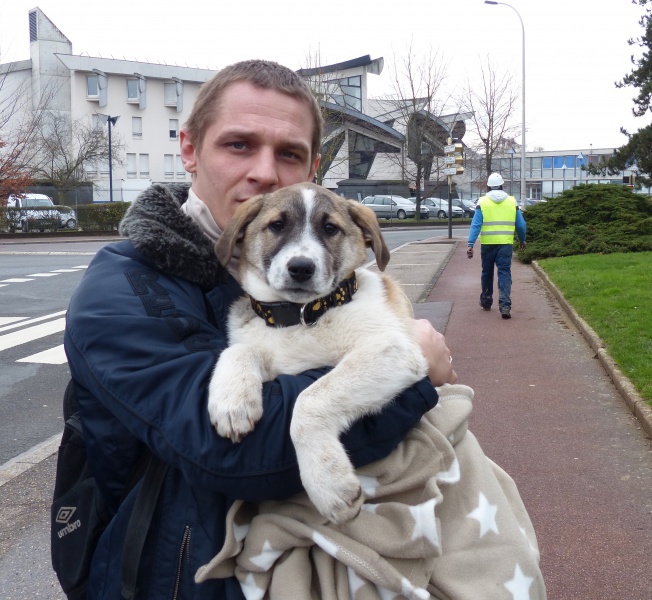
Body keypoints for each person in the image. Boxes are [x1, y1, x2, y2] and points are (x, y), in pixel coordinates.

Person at [63, 59, 456, 599]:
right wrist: (416, 380)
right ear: (190, 149)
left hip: (315, 562)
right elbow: (223, 446)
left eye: (289, 153)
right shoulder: (123, 287)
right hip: (175, 580)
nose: (266, 173)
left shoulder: (287, 277)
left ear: (313, 167)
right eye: (239, 145)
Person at [466, 172, 527, 319]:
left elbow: (476, 225)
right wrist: (522, 240)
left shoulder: (482, 202)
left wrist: (470, 244)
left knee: (487, 273)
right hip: (505, 244)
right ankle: (505, 305)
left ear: (488, 186)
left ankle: (486, 301)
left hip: (487, 244)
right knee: (504, 273)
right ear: (502, 185)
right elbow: (521, 224)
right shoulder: (512, 201)